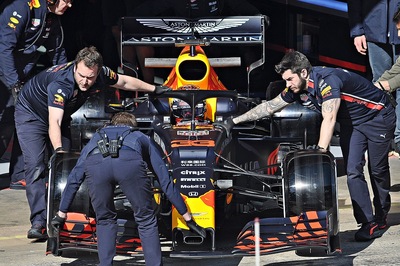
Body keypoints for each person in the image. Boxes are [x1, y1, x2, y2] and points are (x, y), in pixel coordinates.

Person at [218, 51, 395, 242]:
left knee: (377, 170)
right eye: (285, 80)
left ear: (303, 72)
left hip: (378, 116)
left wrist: (320, 151)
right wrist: (234, 121)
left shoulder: (328, 81)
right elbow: (270, 106)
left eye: (290, 79)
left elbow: (329, 118)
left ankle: (381, 216)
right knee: (353, 171)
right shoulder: (297, 88)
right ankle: (368, 223)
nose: (288, 84)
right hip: (352, 122)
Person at [15, 46, 172, 239]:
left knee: (68, 168)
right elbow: (53, 122)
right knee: (38, 165)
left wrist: (154, 88)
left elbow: (123, 81)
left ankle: (63, 215)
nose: (85, 81)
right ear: (75, 67)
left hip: (60, 114)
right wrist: (58, 152)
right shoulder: (61, 84)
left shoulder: (102, 73)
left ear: (97, 71)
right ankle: (39, 222)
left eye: (90, 77)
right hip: (31, 114)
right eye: (81, 76)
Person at [51, 112, 206, 266]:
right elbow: (165, 180)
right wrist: (187, 218)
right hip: (129, 164)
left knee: (104, 219)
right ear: (133, 126)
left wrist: (61, 213)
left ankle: (105, 264)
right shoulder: (140, 136)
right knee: (145, 218)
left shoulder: (95, 138)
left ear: (111, 124)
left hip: (96, 165)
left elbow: (74, 179)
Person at [0, 0, 72, 189]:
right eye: (67, 0)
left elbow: (57, 51)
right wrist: (13, 83)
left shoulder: (51, 18)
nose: (69, 5)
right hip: (4, 74)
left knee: (25, 120)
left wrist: (66, 77)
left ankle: (19, 175)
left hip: (20, 75)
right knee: (4, 123)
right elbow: (4, 48)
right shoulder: (22, 8)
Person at [348, 0, 400, 155]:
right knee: (380, 86)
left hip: (396, 25)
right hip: (375, 28)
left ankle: (398, 140)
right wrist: (357, 31)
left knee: (390, 83)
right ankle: (381, 137)